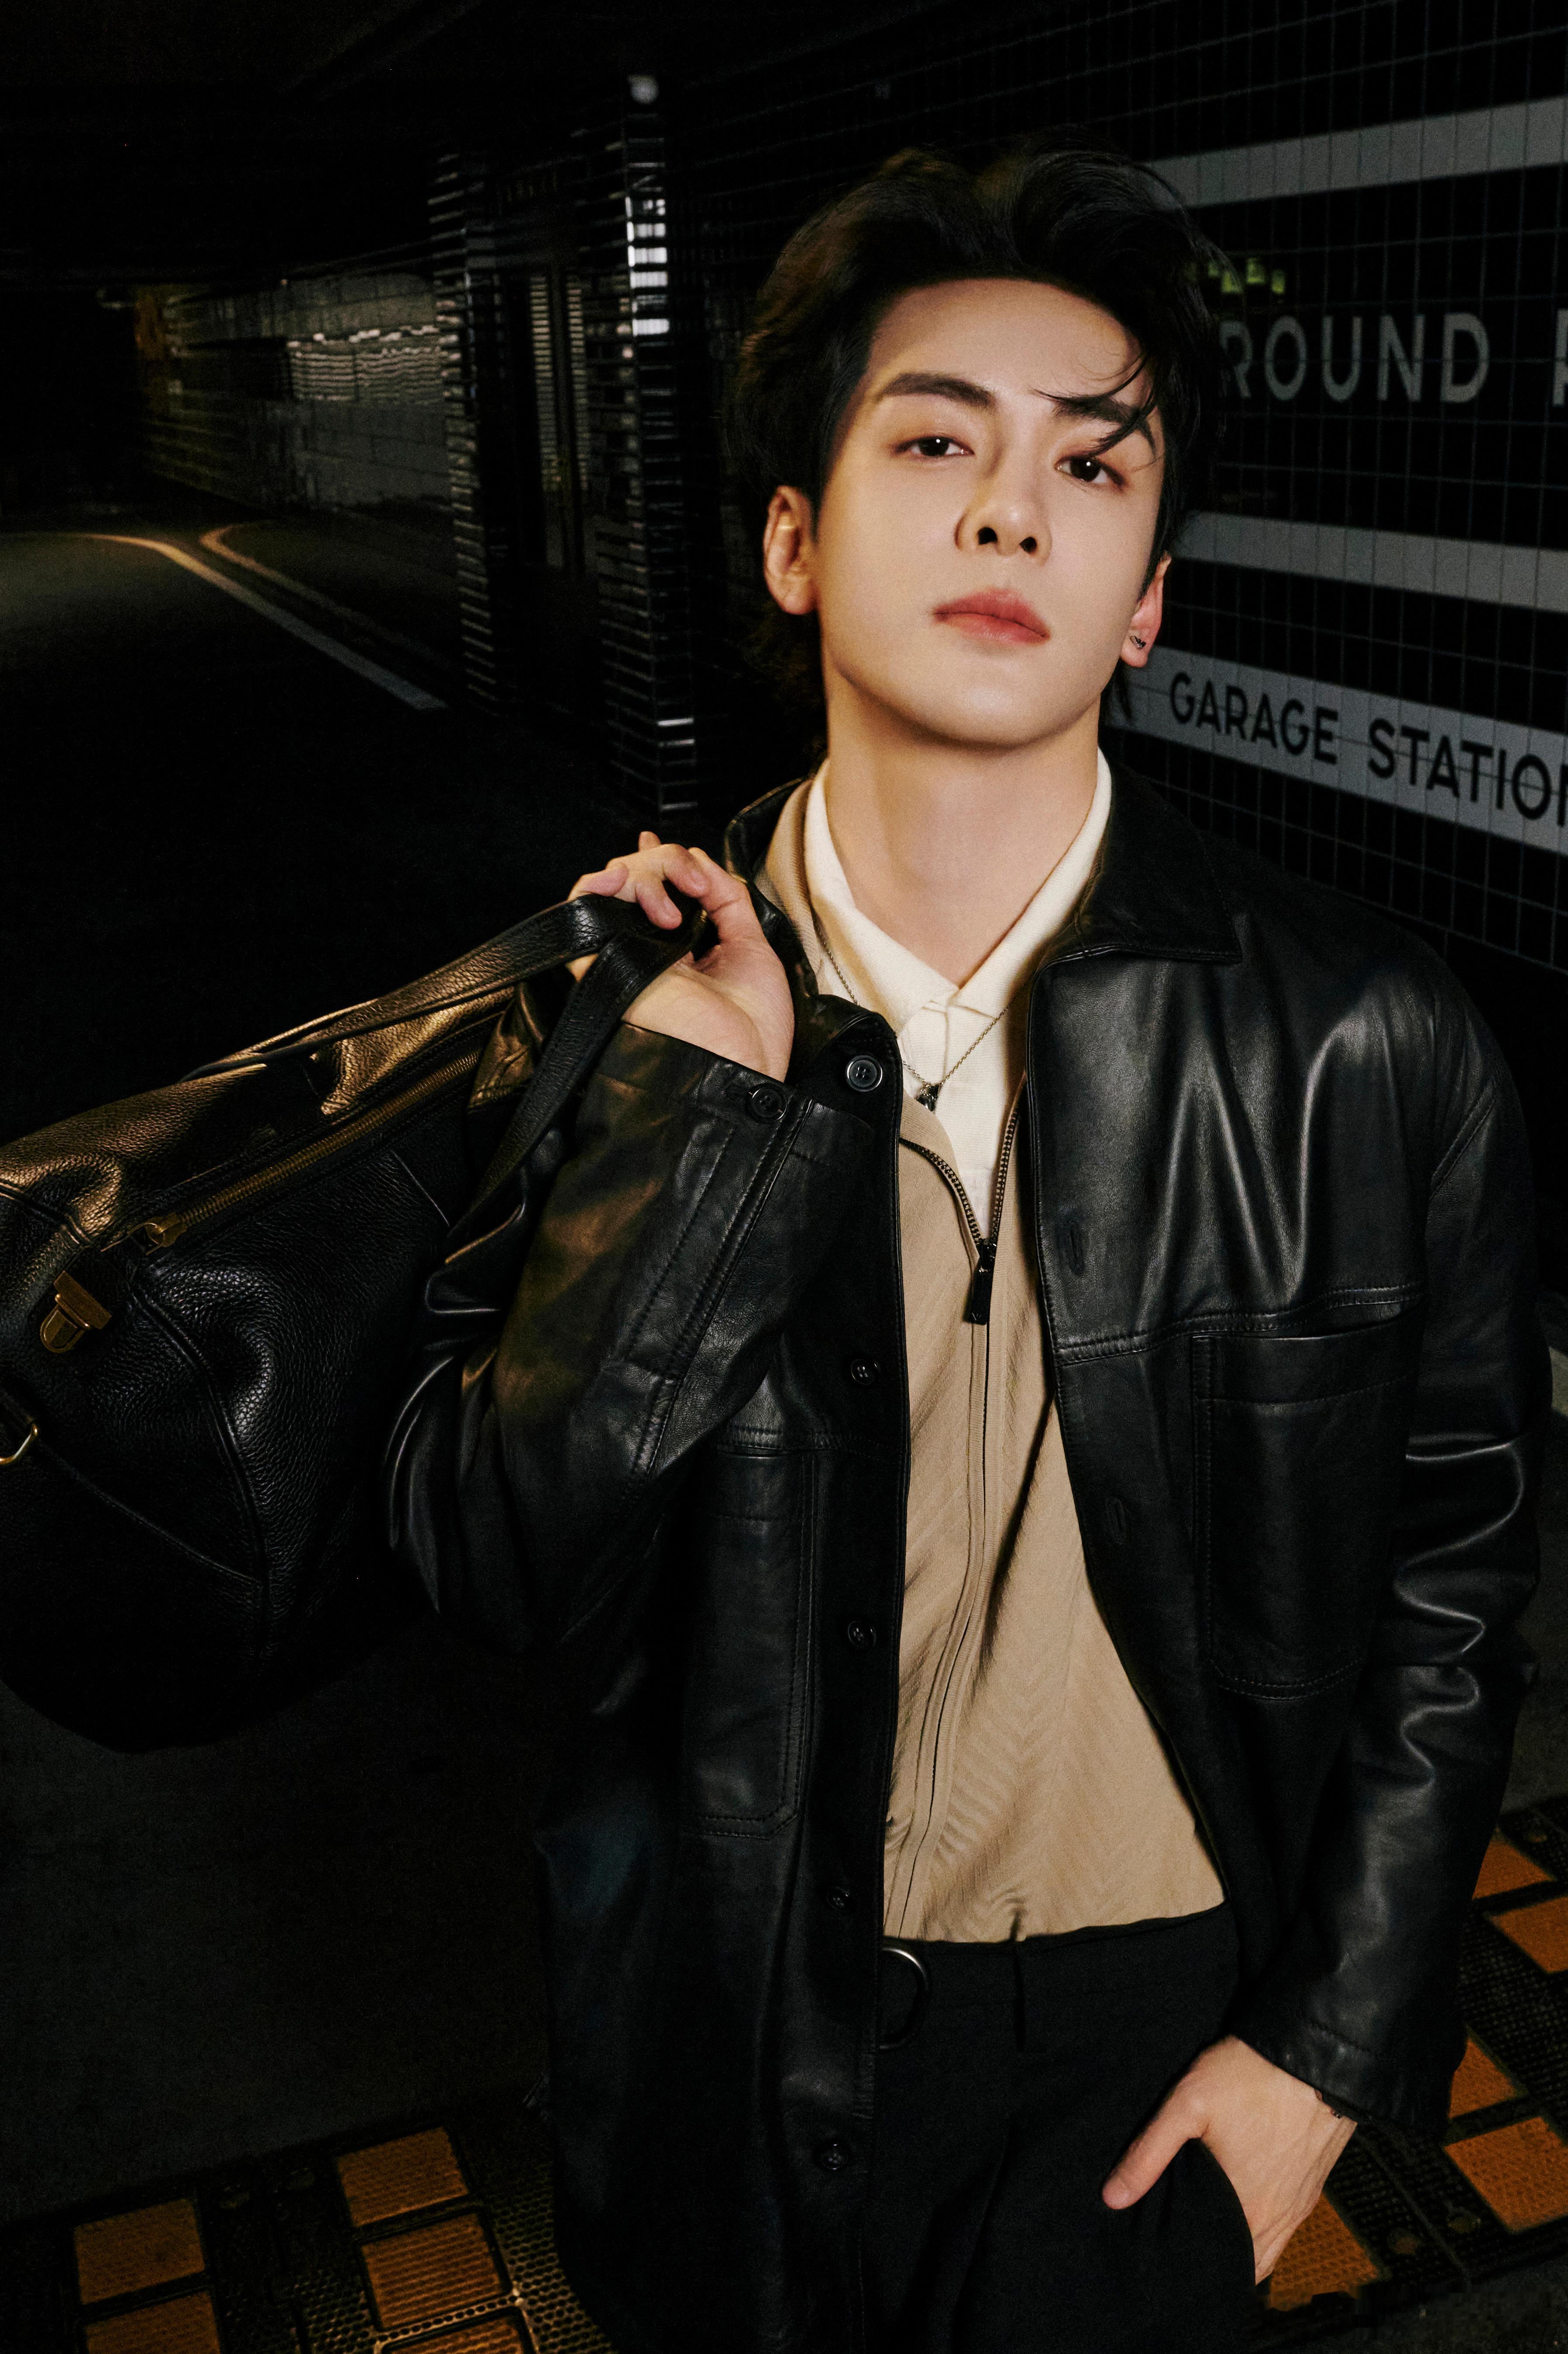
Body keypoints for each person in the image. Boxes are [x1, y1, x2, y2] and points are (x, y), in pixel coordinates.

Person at [385, 139, 1547, 2353]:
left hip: (1151, 2042)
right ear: (792, 540)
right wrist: (693, 1139)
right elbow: (492, 1573)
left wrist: (1327, 2051)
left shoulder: (1360, 1040)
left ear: (1147, 598)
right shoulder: (604, 1012)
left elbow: (1451, 1579)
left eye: (1089, 466)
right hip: (725, 2025)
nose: (1015, 511)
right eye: (935, 443)